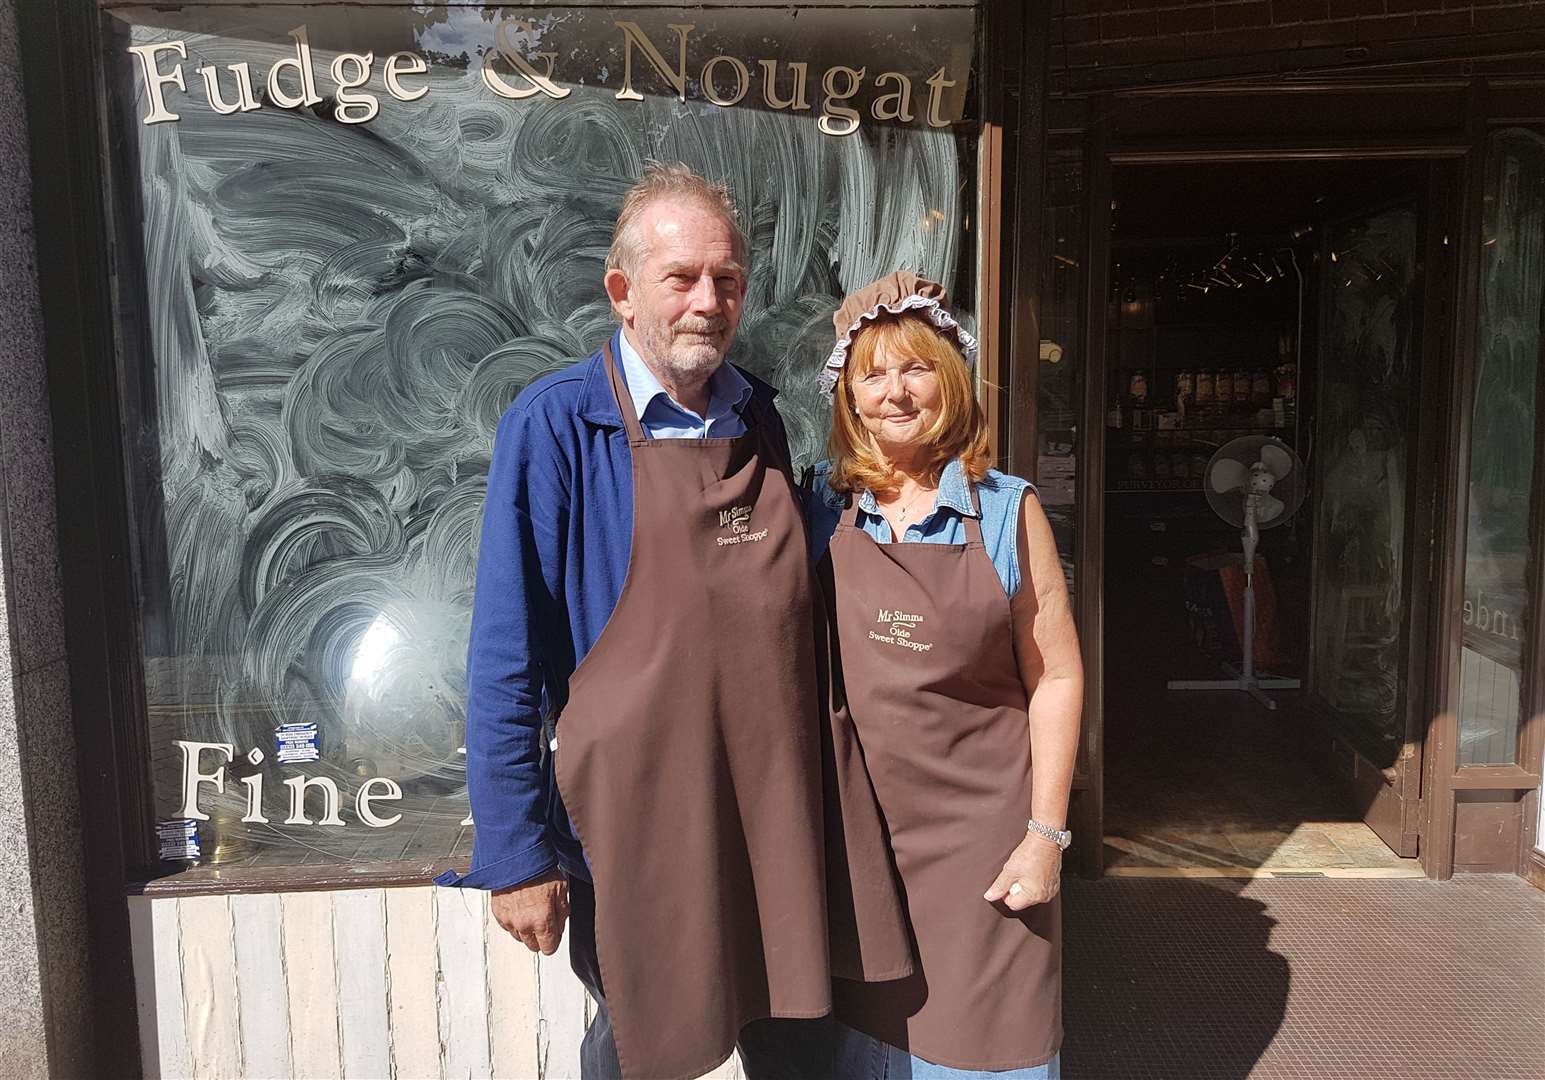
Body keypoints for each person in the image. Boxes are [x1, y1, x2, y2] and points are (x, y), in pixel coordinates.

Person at [437, 165, 909, 1080]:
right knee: (642, 1041)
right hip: (635, 827)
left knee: (796, 1029)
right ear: (621, 292)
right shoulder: (557, 425)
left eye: (727, 279)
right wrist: (514, 855)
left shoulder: (759, 414)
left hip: (773, 813)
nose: (709, 300)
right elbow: (504, 654)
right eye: (681, 277)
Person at [807, 272, 1084, 1079]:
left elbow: (1057, 678)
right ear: (848, 397)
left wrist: (1044, 837)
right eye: (872, 374)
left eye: (915, 368)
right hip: (855, 847)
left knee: (988, 1054)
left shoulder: (1004, 510)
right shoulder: (822, 512)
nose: (896, 392)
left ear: (950, 379)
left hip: (983, 852)